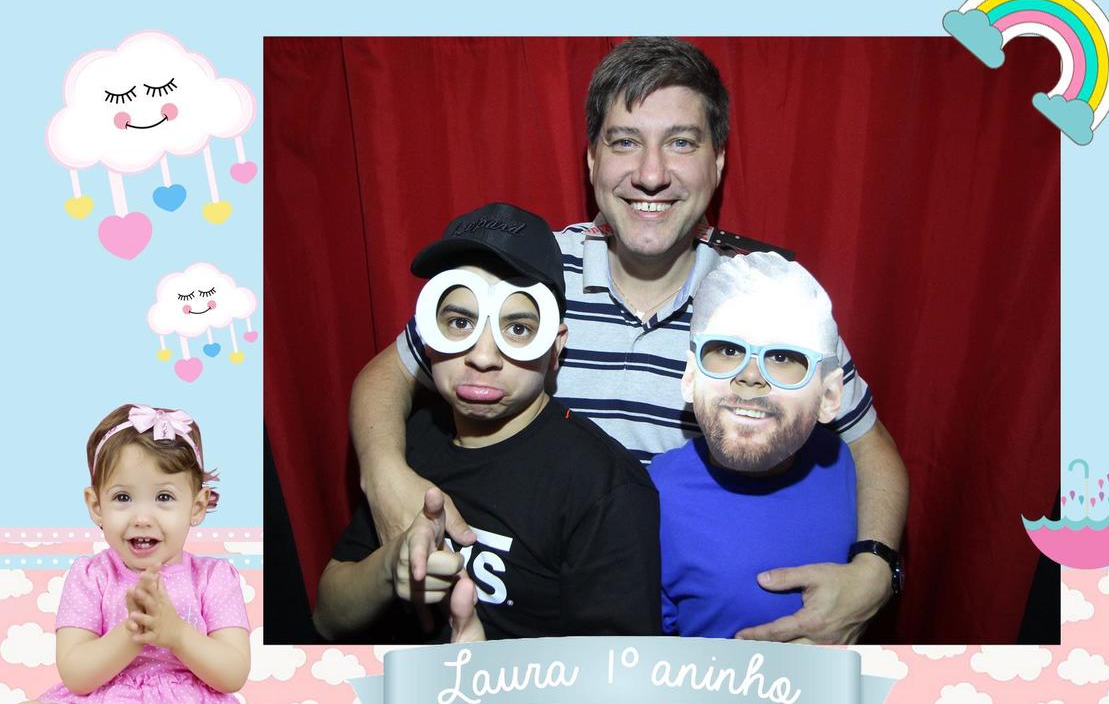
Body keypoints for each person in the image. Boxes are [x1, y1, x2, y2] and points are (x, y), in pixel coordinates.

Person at [350, 37, 909, 644]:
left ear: (718, 162)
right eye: (624, 142)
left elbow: (868, 443)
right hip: (544, 622)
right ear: (592, 160)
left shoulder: (763, 296)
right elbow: (388, 374)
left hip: (698, 631)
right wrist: (383, 475)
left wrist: (876, 568)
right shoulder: (528, 274)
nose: (650, 174)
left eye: (681, 142)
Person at [314, 202, 661, 642]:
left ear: (555, 347)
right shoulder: (410, 441)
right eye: (460, 322)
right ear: (427, 336)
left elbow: (618, 673)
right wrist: (389, 567)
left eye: (517, 329)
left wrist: (485, 672)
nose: (482, 357)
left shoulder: (603, 489)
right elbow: (326, 618)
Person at [1, 404, 296, 704]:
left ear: (197, 506)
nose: (142, 517)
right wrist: (132, 633)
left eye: (164, 497)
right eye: (123, 497)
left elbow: (232, 673)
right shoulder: (91, 576)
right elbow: (76, 674)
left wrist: (176, 634)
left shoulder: (214, 578)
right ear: (95, 505)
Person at [654, 252, 859, 637]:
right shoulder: (652, 496)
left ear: (830, 396)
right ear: (690, 378)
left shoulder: (843, 466)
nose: (750, 376)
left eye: (782, 357)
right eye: (727, 351)